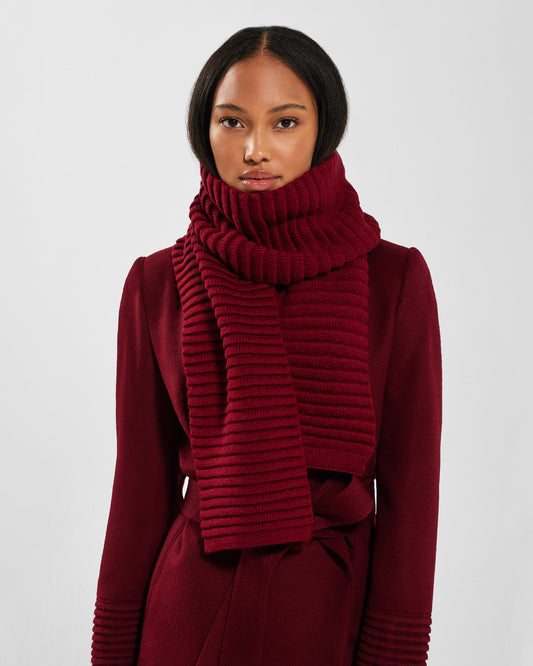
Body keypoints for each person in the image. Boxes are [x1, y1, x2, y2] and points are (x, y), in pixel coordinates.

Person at [91, 25, 442, 666]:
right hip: (186, 619)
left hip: (329, 619)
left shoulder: (394, 279)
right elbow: (138, 493)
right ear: (204, 131)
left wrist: (393, 652)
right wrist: (112, 652)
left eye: (284, 122)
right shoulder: (156, 283)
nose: (255, 149)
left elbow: (412, 496)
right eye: (232, 122)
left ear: (322, 129)